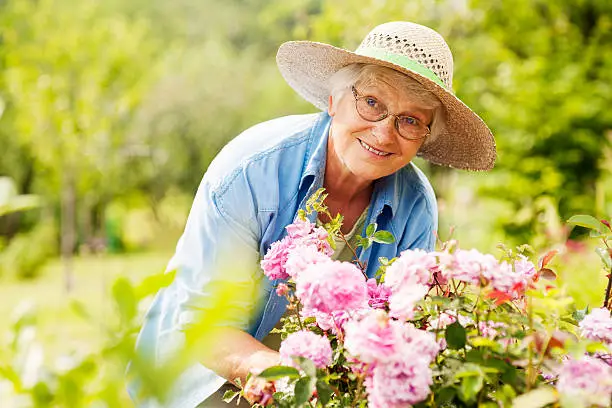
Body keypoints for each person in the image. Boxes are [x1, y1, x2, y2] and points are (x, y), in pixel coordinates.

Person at [128, 21, 496, 407]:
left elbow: (399, 332)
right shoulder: (254, 170)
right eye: (372, 102)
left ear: (425, 137)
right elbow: (204, 327)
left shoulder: (416, 205)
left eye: (410, 120)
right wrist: (300, 385)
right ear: (335, 100)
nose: (385, 133)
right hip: (202, 379)